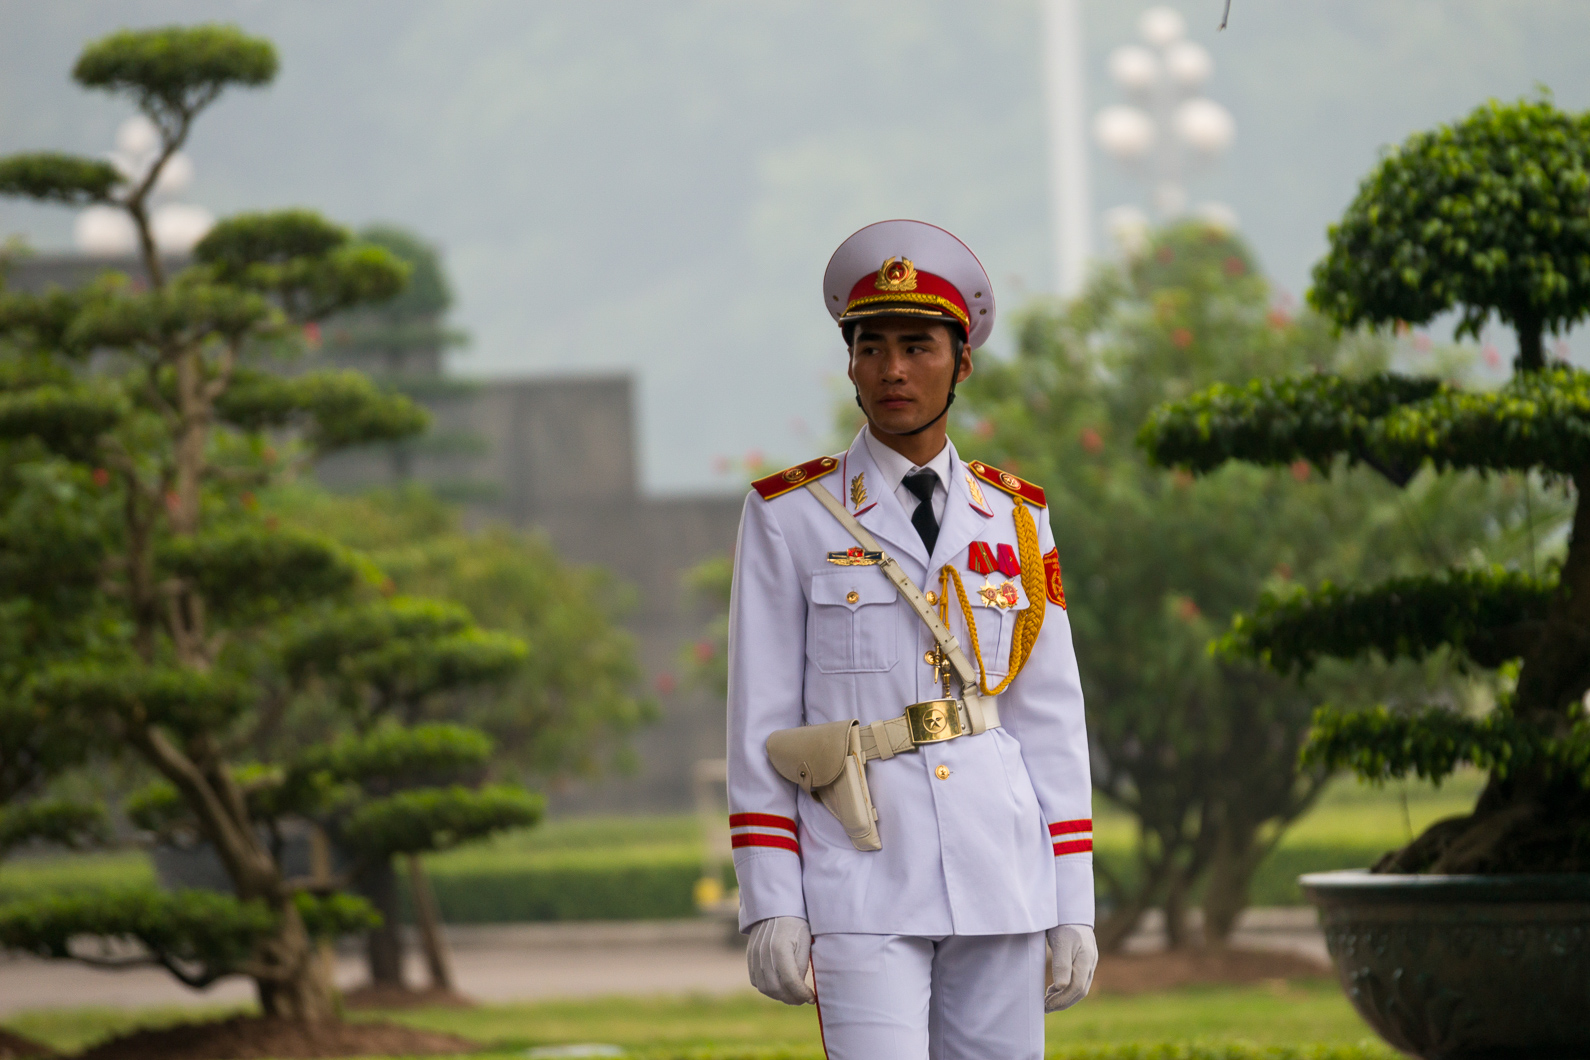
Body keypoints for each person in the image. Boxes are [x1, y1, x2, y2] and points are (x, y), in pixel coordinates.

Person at [726, 219, 1096, 1060]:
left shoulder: (1017, 517)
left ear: (962, 362)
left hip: (1001, 872)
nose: (893, 369)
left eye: (919, 345)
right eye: (872, 346)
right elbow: (760, 721)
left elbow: (1048, 720)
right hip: (860, 873)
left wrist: (1071, 897)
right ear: (850, 360)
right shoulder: (790, 516)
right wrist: (771, 897)